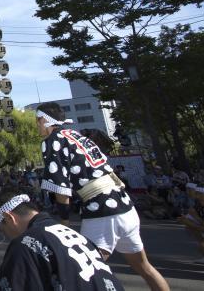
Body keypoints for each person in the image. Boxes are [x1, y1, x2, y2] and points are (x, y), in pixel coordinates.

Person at [35, 103, 169, 291]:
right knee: (144, 267)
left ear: (45, 120)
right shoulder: (77, 136)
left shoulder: (53, 140)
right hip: (125, 206)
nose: (37, 125)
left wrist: (64, 223)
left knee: (81, 273)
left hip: (103, 212)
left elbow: (60, 186)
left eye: (37, 121)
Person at [0, 189, 125, 291]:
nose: (7, 236)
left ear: (8, 218)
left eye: (3, 230)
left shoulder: (25, 244)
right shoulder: (75, 236)